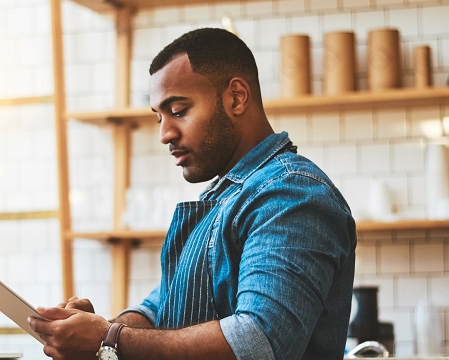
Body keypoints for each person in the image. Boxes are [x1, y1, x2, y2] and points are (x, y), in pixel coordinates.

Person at [27, 28, 356, 360]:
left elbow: (259, 340)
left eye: (178, 110)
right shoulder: (223, 195)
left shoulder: (291, 193)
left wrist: (108, 339)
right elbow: (159, 309)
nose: (165, 134)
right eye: (159, 117)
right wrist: (93, 330)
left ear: (236, 98)